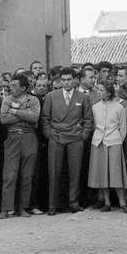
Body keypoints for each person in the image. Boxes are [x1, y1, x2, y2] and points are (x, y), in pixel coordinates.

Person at [41, 66, 93, 214]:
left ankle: (73, 203)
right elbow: (45, 119)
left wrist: (83, 136)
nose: (66, 83)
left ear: (75, 80)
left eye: (69, 79)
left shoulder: (83, 97)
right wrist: (49, 134)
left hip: (75, 138)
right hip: (56, 136)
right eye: (63, 80)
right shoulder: (51, 96)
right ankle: (52, 205)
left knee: (75, 172)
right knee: (54, 172)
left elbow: (88, 120)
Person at [0, 74, 41, 218]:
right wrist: (25, 114)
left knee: (27, 175)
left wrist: (15, 111)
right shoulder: (7, 99)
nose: (11, 88)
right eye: (10, 85)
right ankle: (6, 208)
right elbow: (3, 119)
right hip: (12, 138)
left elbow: (35, 117)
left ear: (24, 88)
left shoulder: (34, 100)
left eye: (14, 86)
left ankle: (23, 207)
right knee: (9, 174)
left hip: (30, 138)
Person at [89, 82, 127, 211]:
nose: (99, 92)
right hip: (99, 142)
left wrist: (117, 141)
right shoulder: (95, 107)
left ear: (109, 92)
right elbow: (94, 125)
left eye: (102, 90)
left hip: (114, 142)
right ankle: (107, 202)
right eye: (98, 90)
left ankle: (122, 202)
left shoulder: (119, 107)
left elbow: (123, 128)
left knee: (116, 172)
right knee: (102, 173)